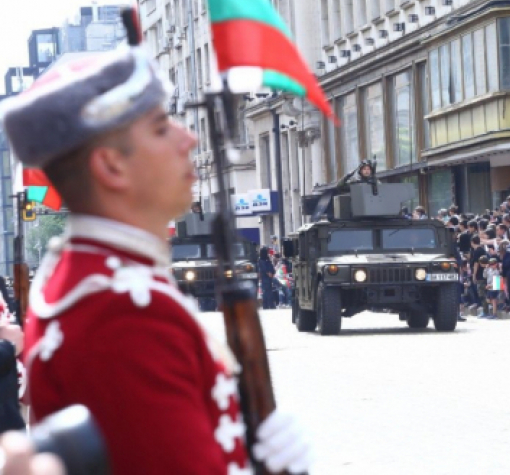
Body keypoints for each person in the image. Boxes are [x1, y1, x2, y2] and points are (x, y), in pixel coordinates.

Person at [1, 49, 310, 474]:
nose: (189, 139)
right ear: (111, 165)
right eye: (161, 127)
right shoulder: (124, 311)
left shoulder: (92, 278)